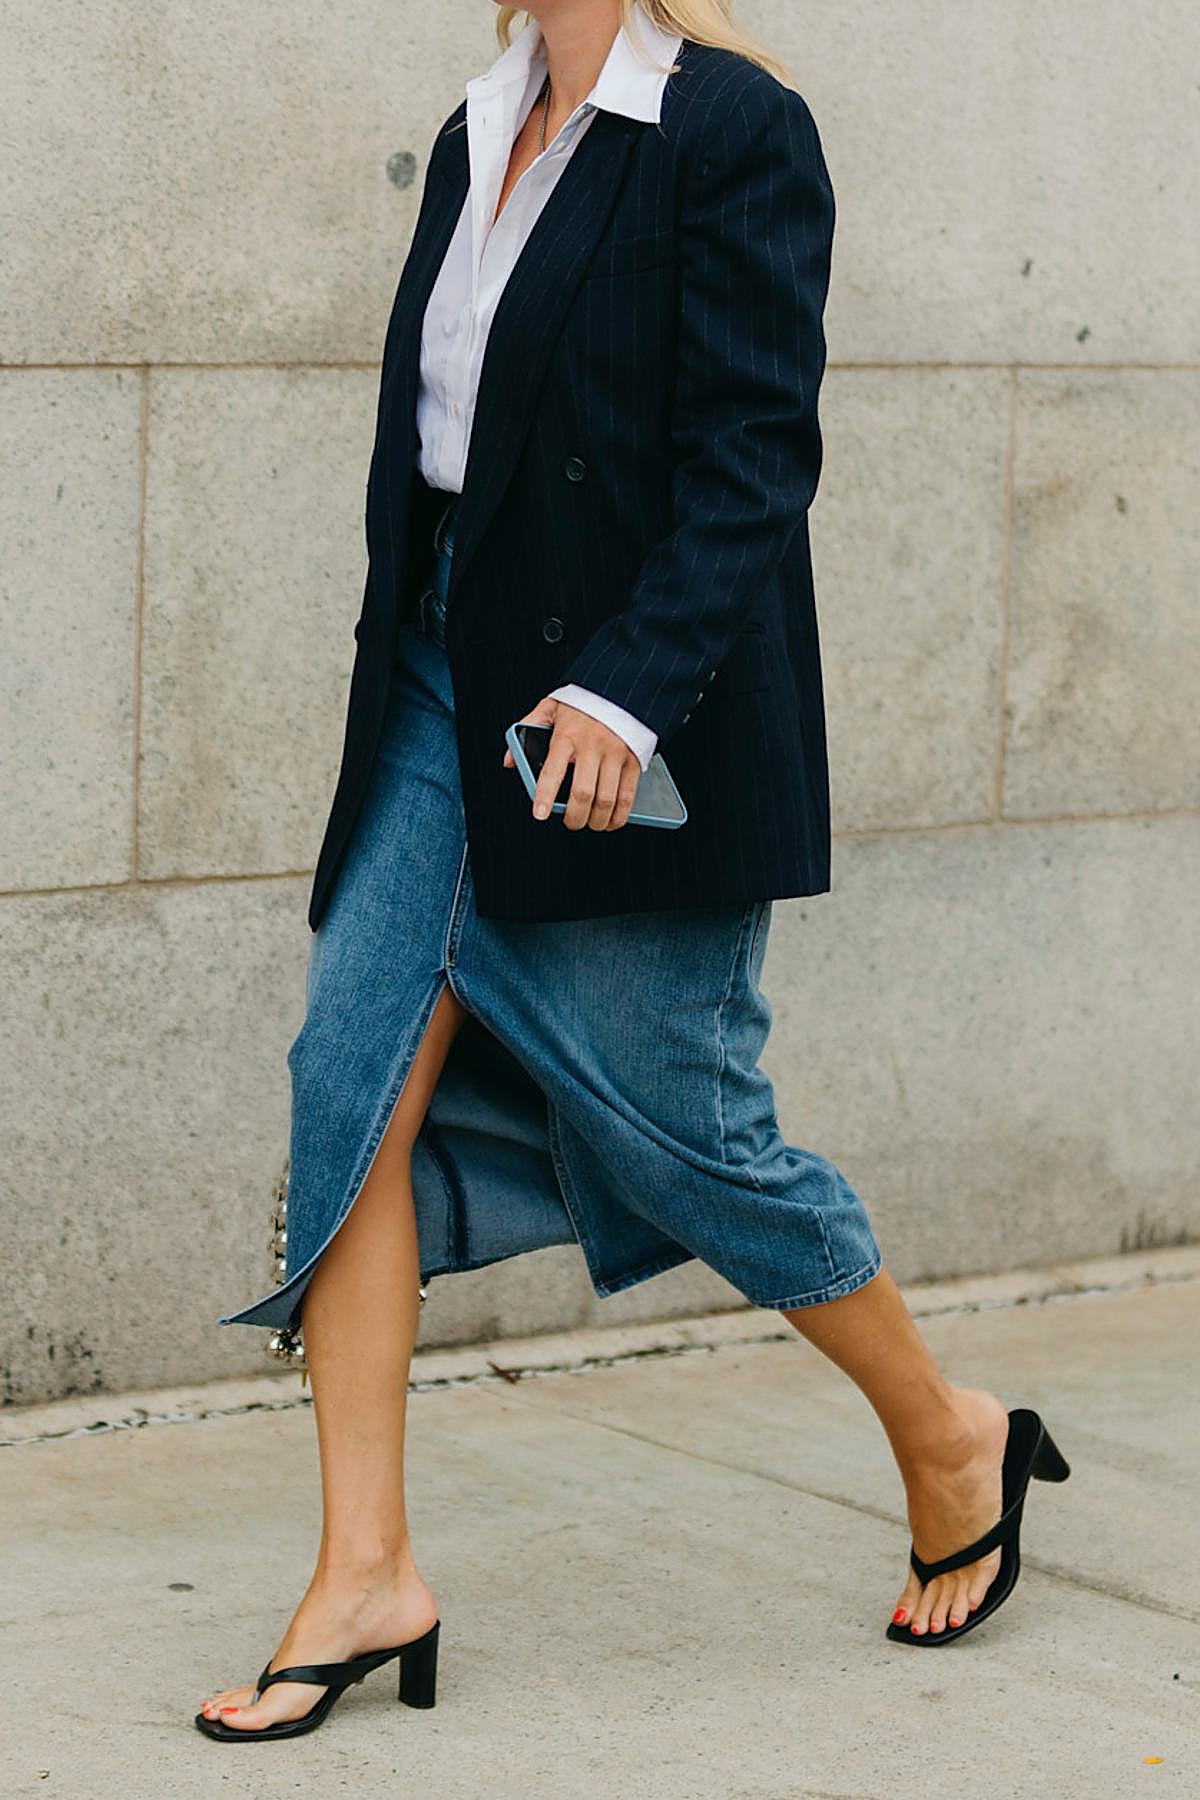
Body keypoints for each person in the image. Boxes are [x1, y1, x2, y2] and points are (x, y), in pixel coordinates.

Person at [196, 0, 1069, 1744]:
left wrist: (626, 686)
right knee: (343, 1085)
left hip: (614, 720)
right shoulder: (475, 130)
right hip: (445, 692)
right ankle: (364, 1564)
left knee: (694, 1134)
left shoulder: (734, 127)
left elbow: (755, 457)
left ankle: (947, 1430)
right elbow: (439, 462)